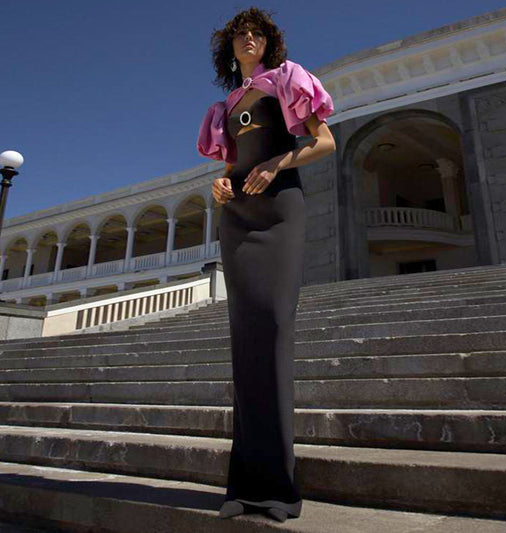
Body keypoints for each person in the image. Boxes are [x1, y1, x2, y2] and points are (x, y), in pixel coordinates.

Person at [196, 6, 335, 523]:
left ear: (268, 42)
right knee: (245, 338)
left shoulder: (289, 80)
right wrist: (221, 182)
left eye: (256, 33)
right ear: (230, 47)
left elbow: (325, 142)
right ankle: (244, 487)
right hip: (237, 215)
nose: (248, 39)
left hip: (279, 211)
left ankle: (279, 488)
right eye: (239, 35)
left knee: (275, 327)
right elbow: (234, 162)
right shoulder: (226, 104)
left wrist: (279, 162)